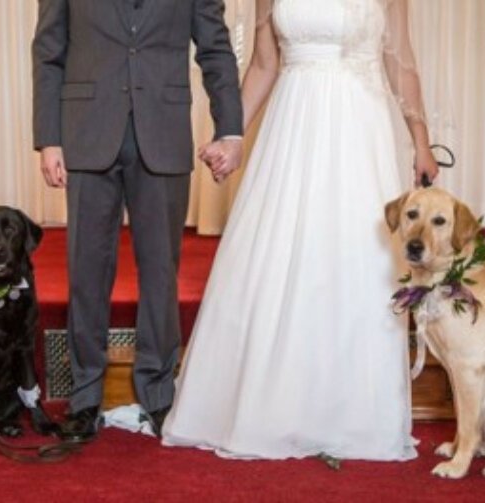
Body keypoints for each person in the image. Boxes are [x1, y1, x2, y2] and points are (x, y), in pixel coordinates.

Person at [162, 0, 439, 460]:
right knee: (275, 264)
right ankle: (270, 407)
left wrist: (421, 142)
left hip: (356, 130)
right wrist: (231, 135)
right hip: (291, 132)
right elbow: (264, 65)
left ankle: (350, 414)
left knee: (356, 265)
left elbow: (401, 63)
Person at [32, 0, 244, 442]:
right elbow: (48, 51)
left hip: (163, 132)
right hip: (87, 132)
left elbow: (216, 48)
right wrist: (49, 138)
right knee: (87, 272)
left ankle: (159, 392)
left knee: (161, 273)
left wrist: (230, 127)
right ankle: (85, 397)